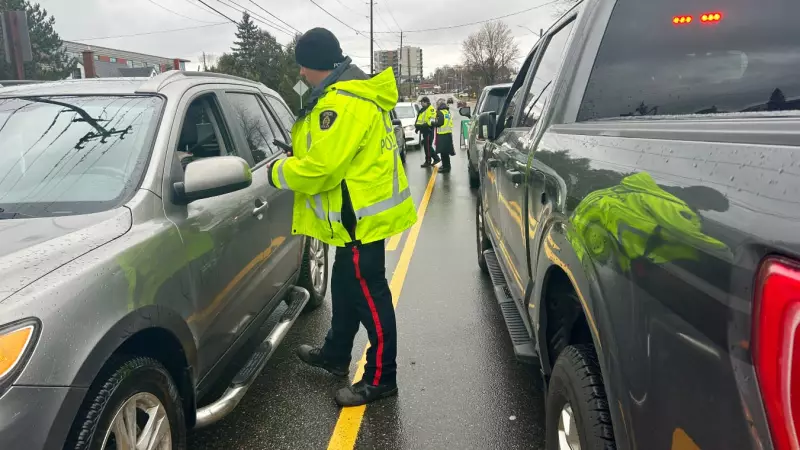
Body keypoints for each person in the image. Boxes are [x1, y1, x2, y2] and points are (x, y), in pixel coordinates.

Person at [266, 27, 417, 407]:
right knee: (346, 288)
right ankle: (335, 355)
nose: (301, 74)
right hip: (361, 217)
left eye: (304, 67)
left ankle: (383, 378)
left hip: (360, 221)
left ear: (317, 65)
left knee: (370, 296)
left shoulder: (342, 103)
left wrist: (276, 171)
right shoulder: (351, 94)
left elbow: (321, 170)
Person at [415, 96, 440, 167]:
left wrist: (424, 125)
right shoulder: (423, 109)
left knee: (428, 147)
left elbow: (432, 120)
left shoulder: (431, 109)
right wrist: (417, 127)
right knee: (427, 146)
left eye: (422, 102)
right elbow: (420, 119)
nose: (421, 104)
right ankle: (433, 159)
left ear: (426, 102)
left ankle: (431, 160)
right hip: (424, 130)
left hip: (428, 130)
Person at [432, 98, 455, 173]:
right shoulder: (447, 112)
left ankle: (446, 167)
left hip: (442, 135)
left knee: (443, 152)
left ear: (439, 105)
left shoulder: (440, 112)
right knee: (446, 152)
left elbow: (440, 123)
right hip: (448, 134)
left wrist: (433, 123)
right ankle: (447, 165)